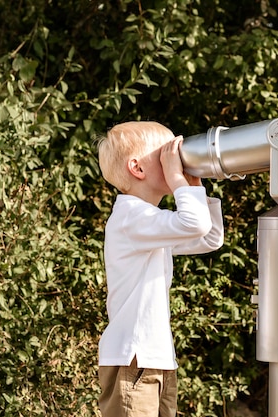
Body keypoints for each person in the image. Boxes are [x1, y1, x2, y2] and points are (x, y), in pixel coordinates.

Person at [96, 121, 224, 417]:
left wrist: (194, 186)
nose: (175, 163)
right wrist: (179, 180)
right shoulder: (131, 217)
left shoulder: (149, 221)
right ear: (137, 168)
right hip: (134, 360)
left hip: (156, 359)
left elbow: (209, 237)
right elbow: (196, 224)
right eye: (166, 156)